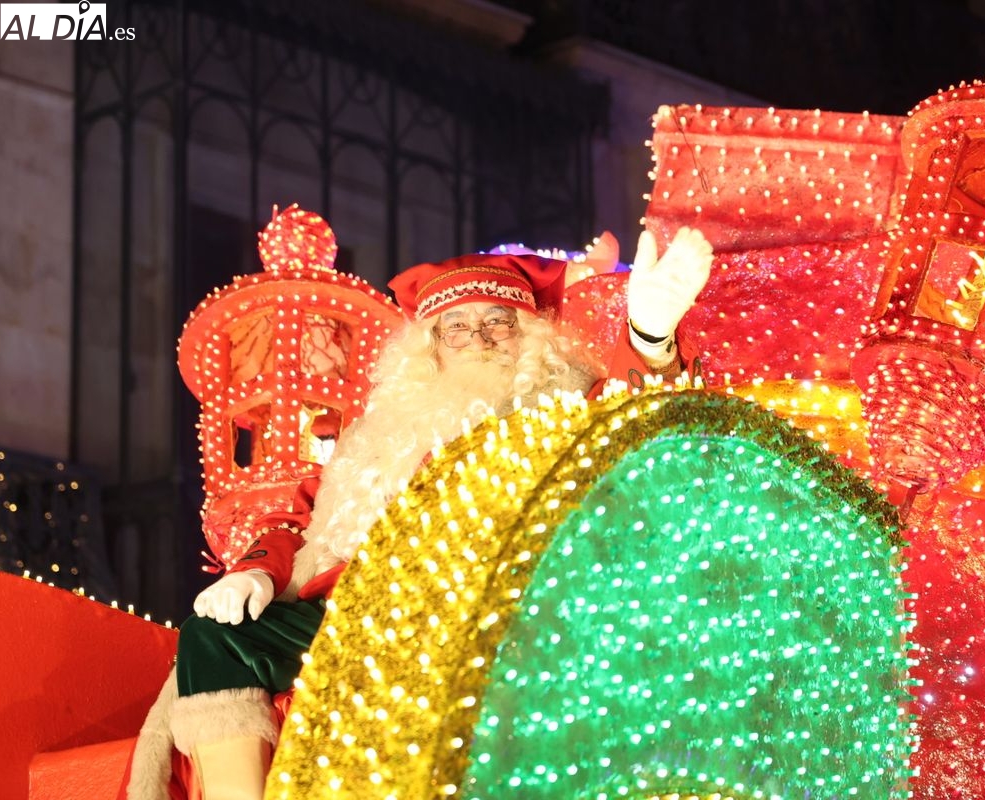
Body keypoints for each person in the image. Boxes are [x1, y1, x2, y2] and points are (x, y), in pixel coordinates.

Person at [126, 227, 714, 800]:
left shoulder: (563, 407)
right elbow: (299, 517)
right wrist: (258, 570)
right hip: (364, 608)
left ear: (530, 335)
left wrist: (648, 336)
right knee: (218, 638)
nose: (478, 339)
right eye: (456, 328)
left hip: (490, 600)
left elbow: (630, 423)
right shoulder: (376, 438)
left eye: (496, 324)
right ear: (430, 348)